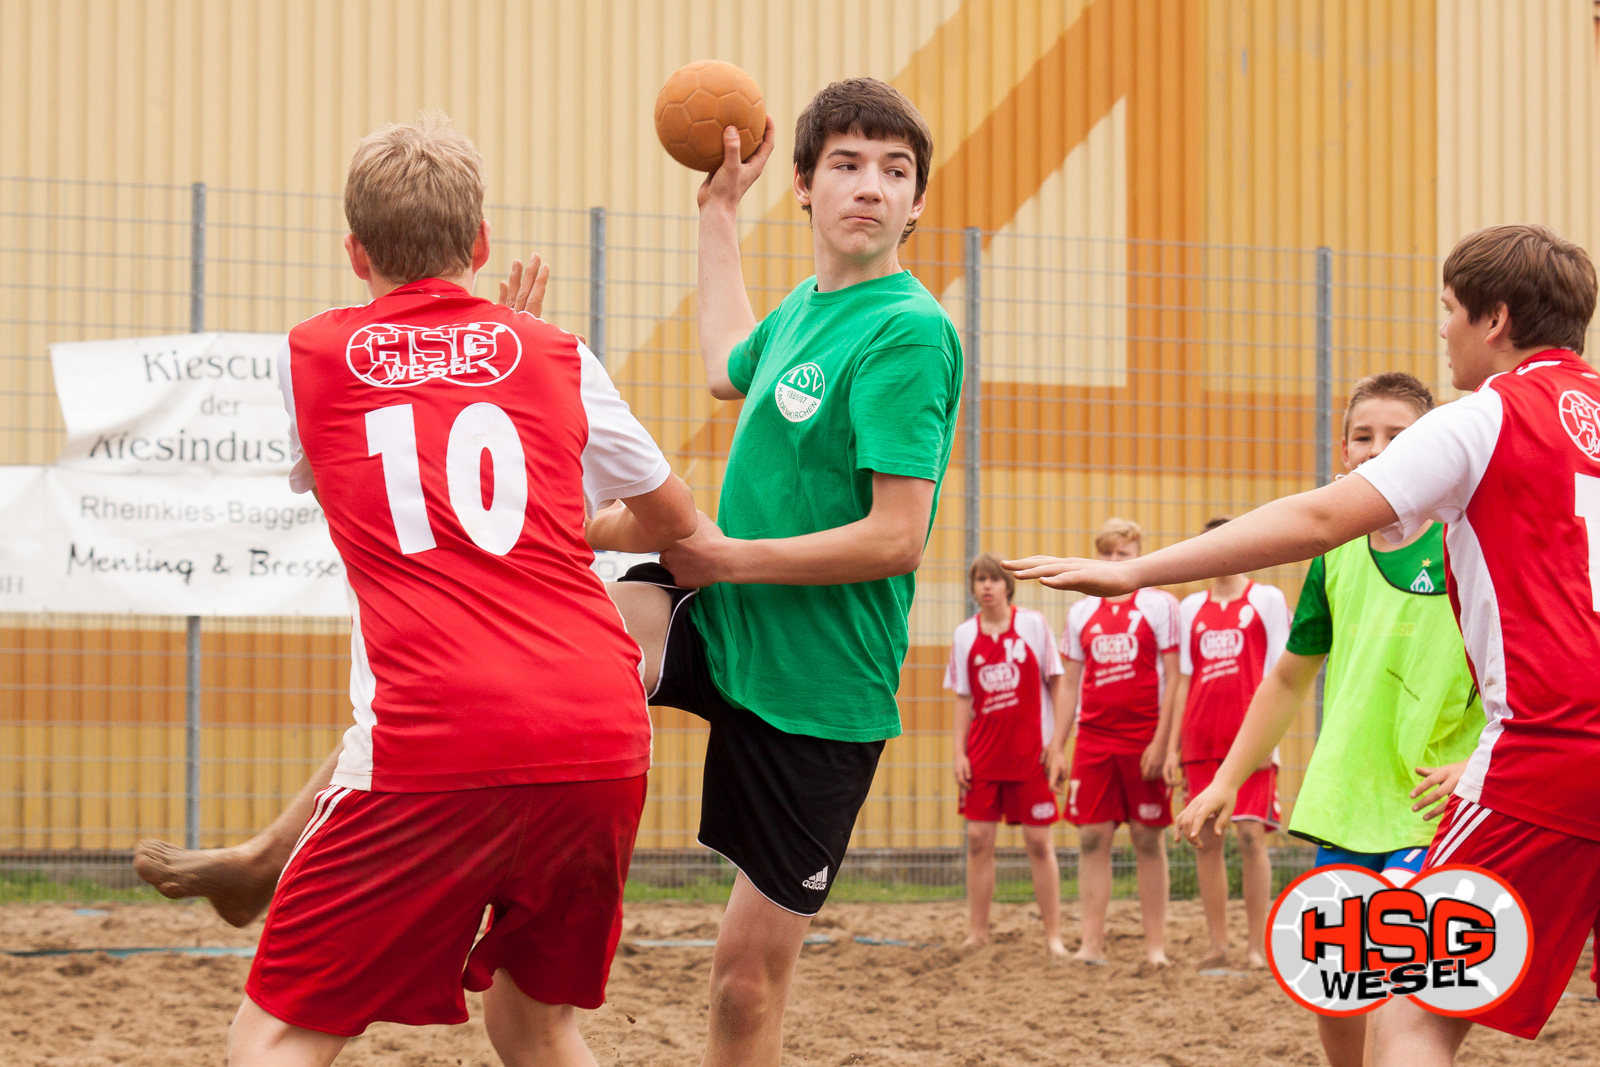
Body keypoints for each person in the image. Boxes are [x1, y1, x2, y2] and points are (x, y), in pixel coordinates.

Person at [1008, 223, 1600, 1065]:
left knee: (1413, 1012)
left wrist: (1139, 574)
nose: (1443, 330)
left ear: (1495, 318)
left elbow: (1319, 516)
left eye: (1449, 311)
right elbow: (1293, 668)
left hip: (1547, 749)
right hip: (1460, 773)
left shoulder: (1486, 417)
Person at [227, 113, 698, 1067]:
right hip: (596, 734)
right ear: (480, 245)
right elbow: (674, 522)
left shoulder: (310, 359)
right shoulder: (557, 354)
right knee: (538, 1023)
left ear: (354, 252)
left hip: (439, 737)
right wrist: (507, 341)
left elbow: (357, 465)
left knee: (276, 1032)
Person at [624, 77, 961, 1067]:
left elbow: (897, 537)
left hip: (821, 689)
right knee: (584, 643)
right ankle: (511, 873)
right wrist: (719, 211)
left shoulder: (909, 330)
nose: (870, 186)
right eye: (847, 165)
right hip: (725, 615)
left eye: (893, 171)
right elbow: (727, 361)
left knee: (741, 983)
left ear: (916, 203)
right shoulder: (805, 309)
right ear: (805, 186)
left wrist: (728, 553)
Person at [1175, 374, 1484, 1067]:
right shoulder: (1336, 553)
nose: (1378, 451)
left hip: (1431, 808)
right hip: (1345, 803)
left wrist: (1482, 759)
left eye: (1400, 439)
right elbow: (1288, 675)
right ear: (1343, 448)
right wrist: (1228, 777)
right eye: (1364, 436)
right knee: (1333, 992)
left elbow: (1525, 674)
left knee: (1402, 997)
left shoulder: (1470, 544)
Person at [1050, 517, 1181, 966]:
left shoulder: (1160, 604)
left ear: (1137, 555)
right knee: (1090, 837)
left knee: (1147, 838)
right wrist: (1056, 745)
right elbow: (1069, 683)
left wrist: (1164, 743)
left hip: (1144, 736)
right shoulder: (1081, 610)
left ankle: (1155, 948)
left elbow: (1173, 677)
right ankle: (1090, 944)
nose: (1112, 561)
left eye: (1122, 554)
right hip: (1094, 740)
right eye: (1105, 553)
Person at [1166, 516, 1289, 972]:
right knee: (1207, 840)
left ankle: (1256, 947)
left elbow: (1282, 673)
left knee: (1252, 836)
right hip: (1201, 739)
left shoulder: (1267, 599)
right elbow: (1182, 678)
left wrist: (1272, 737)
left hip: (1250, 740)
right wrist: (1172, 747)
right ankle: (1218, 945)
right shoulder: (1190, 606)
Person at [946, 552, 1067, 956]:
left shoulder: (1033, 625)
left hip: (1031, 756)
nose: (986, 586)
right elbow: (963, 698)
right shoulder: (965, 635)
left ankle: (1053, 936)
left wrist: (1057, 745)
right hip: (983, 756)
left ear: (1007, 585)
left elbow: (1056, 684)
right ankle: (977, 932)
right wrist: (958, 753)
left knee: (1038, 843)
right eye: (979, 579)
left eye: (993, 579)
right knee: (979, 839)